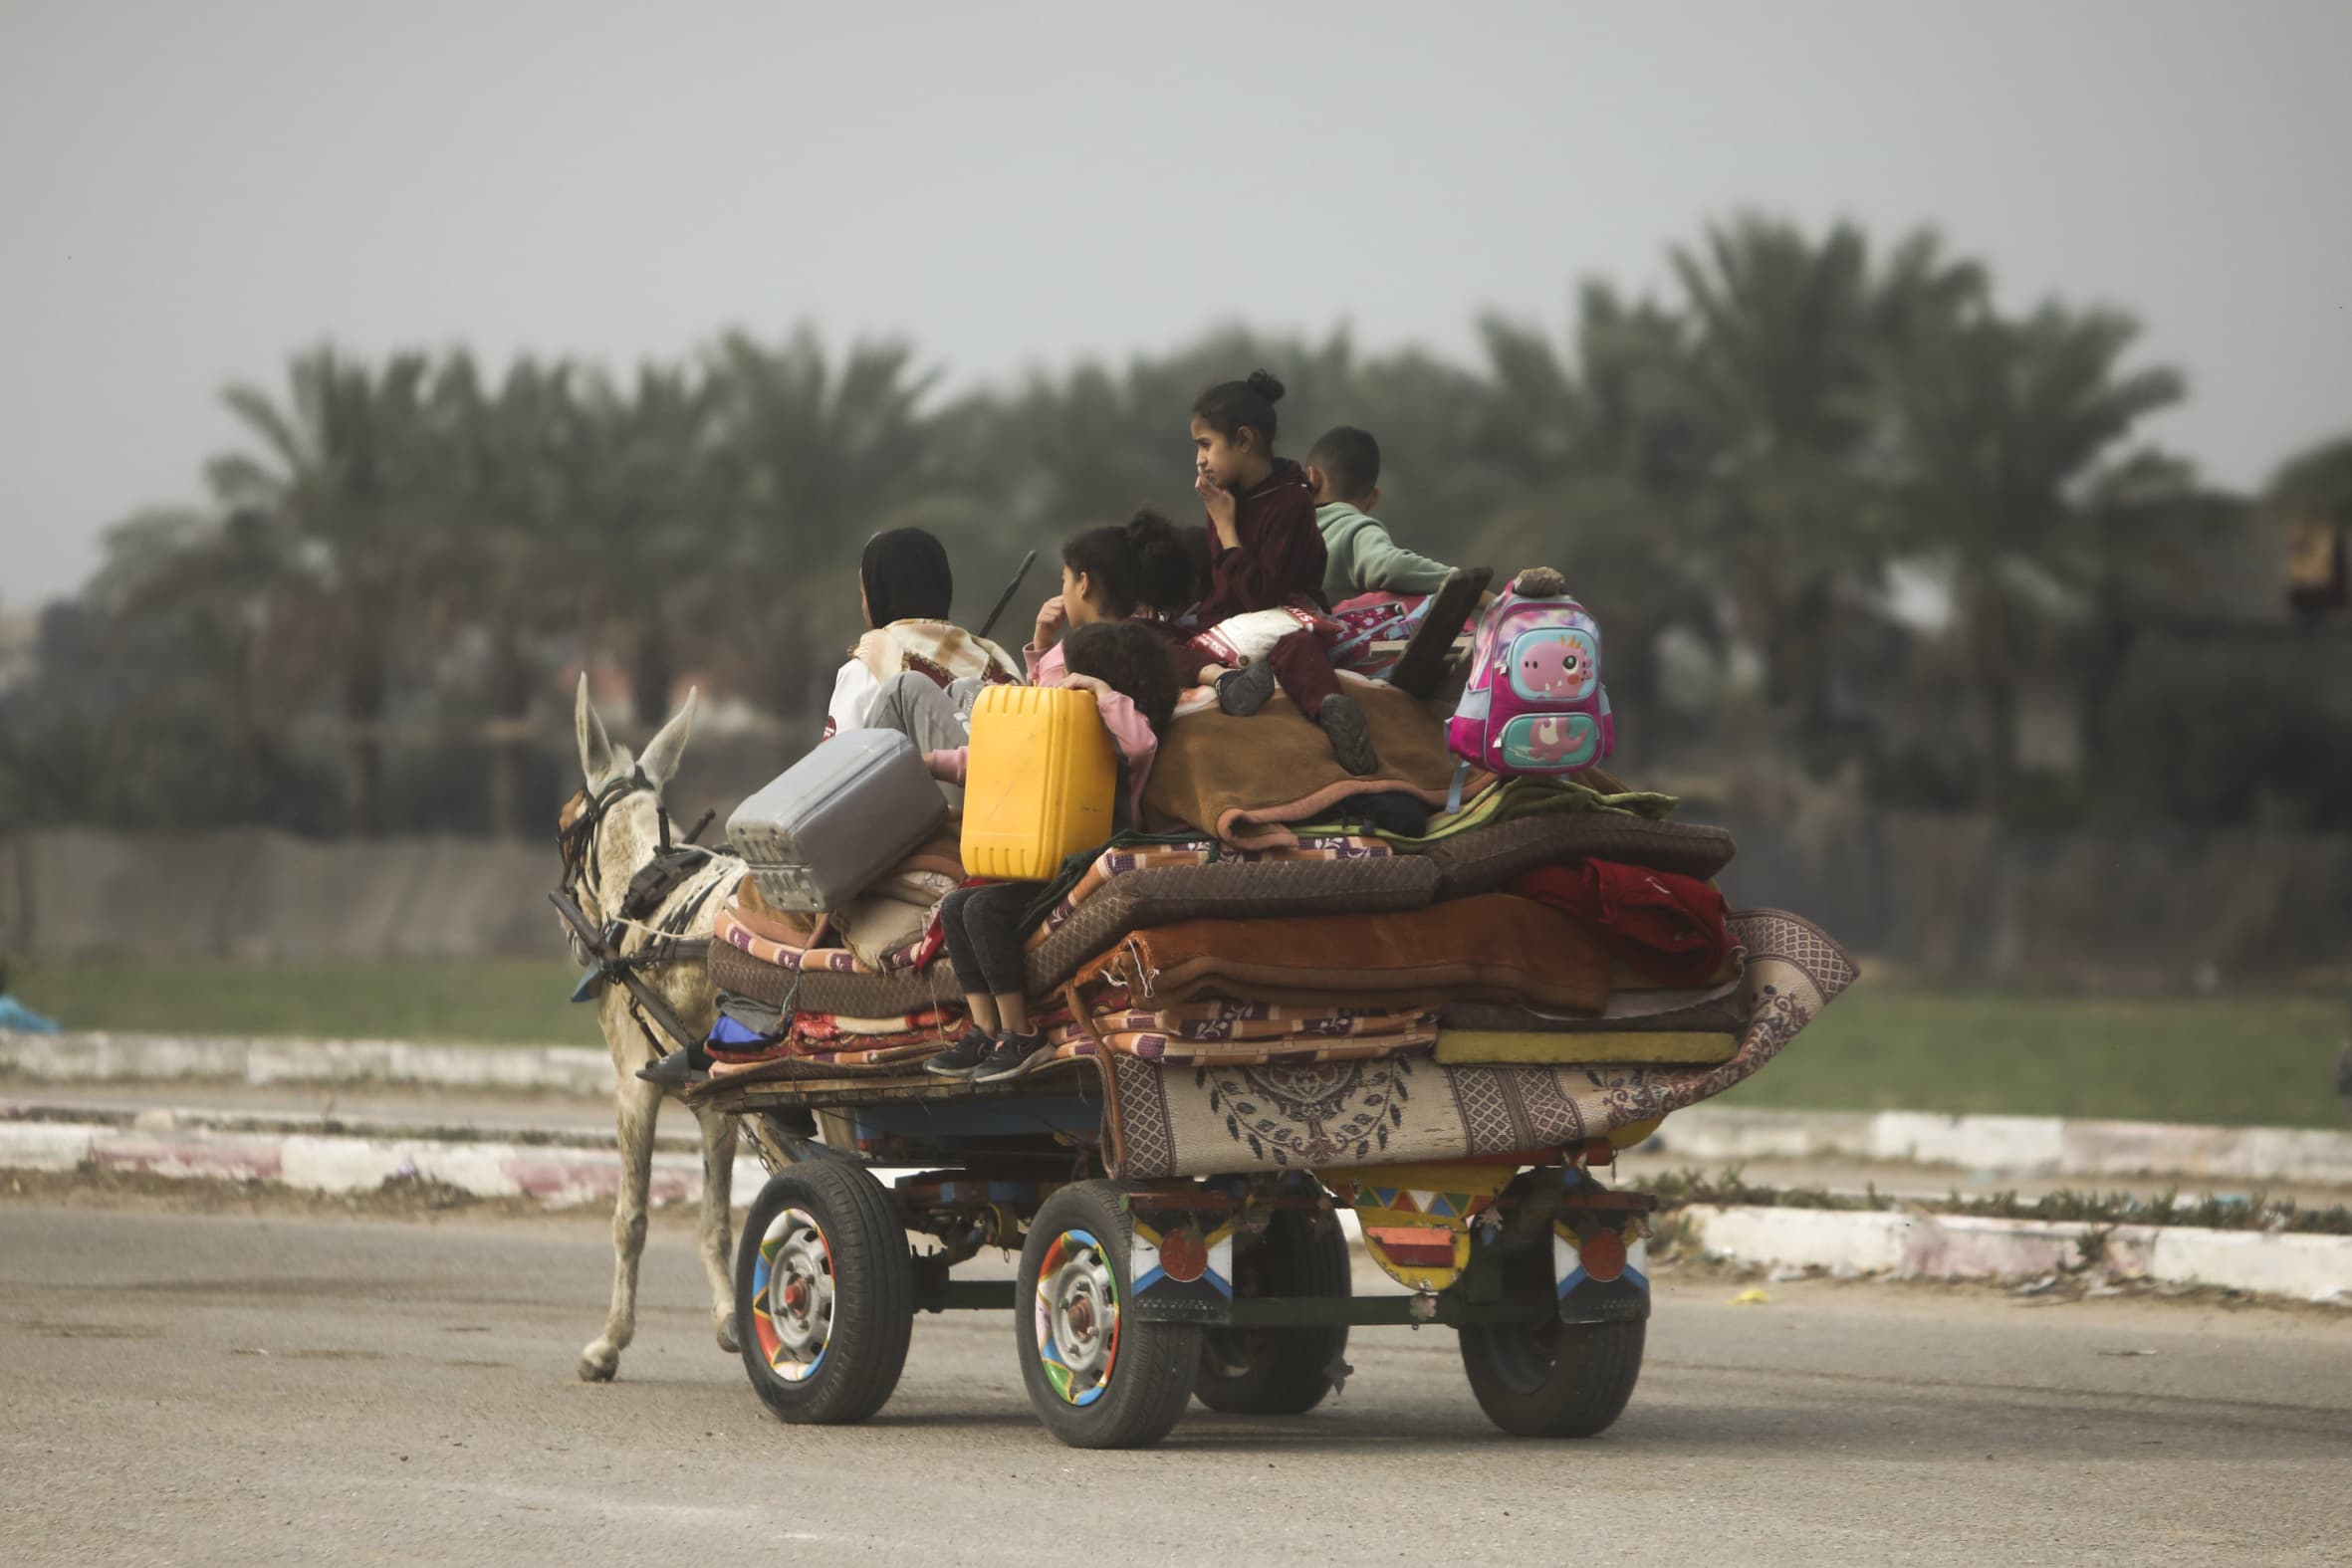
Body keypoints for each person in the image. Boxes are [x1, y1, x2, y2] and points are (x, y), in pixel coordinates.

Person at [919, 619, 1178, 1084]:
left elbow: (1141, 745)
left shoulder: (1120, 733)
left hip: (1086, 866)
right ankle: (986, 1030)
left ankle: (1021, 1035)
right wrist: (929, 763)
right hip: (1044, 862)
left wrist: (1101, 694)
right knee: (957, 906)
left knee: (983, 911)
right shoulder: (1060, 733)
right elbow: (991, 761)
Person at [1184, 371, 1380, 775]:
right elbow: (1217, 585)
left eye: (1206, 445)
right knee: (1146, 638)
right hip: (1225, 626)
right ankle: (1233, 685)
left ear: (1243, 440)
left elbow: (1261, 596)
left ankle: (1334, 714)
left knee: (1297, 650)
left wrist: (1226, 527)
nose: (1200, 460)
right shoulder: (1224, 495)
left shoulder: (1290, 502)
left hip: (1282, 618)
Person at [1303, 424, 1493, 698]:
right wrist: (1473, 591)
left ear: (1311, 478)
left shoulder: (1280, 527)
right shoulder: (1354, 526)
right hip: (1333, 664)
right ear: (1373, 498)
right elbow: (1389, 567)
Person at [824, 527, 1021, 742]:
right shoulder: (998, 665)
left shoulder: (866, 669)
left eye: (864, 594)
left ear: (879, 596)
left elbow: (840, 757)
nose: (863, 607)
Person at [1024, 508, 1198, 687]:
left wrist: (1042, 649)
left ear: (1083, 583)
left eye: (1065, 579)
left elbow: (1039, 701)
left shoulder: (1069, 657)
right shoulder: (1153, 647)